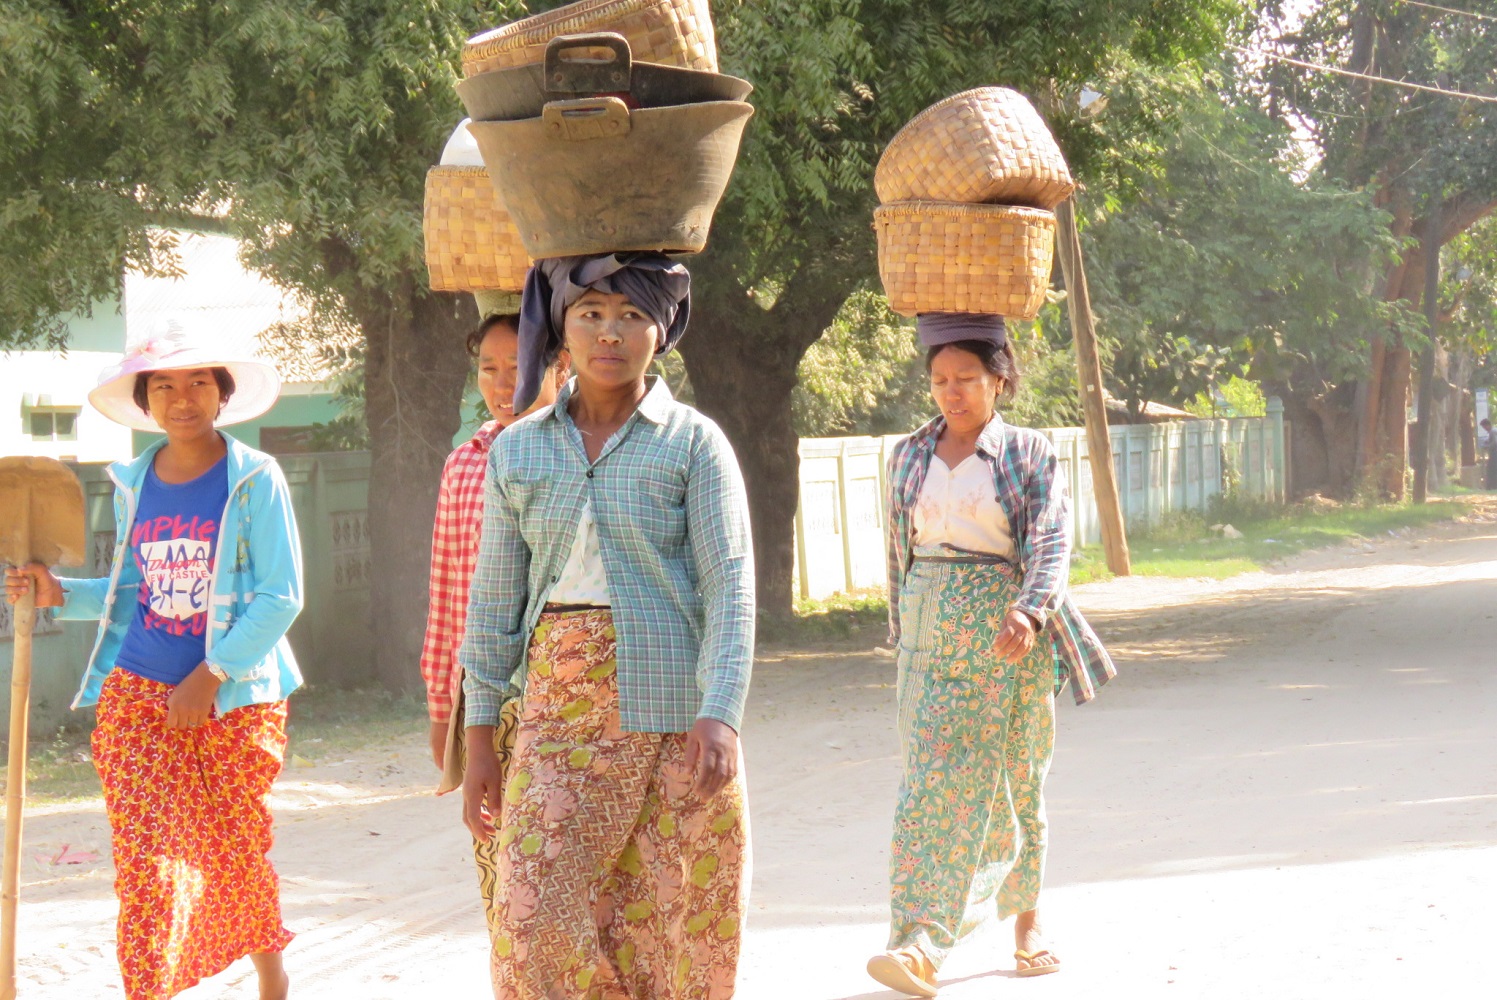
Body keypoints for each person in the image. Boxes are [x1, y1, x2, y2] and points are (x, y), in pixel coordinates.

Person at [459, 253, 755, 999]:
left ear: (663, 330)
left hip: (673, 716)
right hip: (555, 716)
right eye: (590, 313)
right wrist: (479, 738)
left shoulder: (693, 444)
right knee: (528, 925)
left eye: (631, 315)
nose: (609, 333)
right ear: (562, 327)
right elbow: (493, 604)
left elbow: (729, 586)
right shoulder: (519, 450)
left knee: (661, 926)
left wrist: (719, 714)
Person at [4, 320, 302, 1000]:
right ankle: (147, 990)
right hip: (136, 693)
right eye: (163, 385)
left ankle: (270, 975)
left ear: (222, 394)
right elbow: (132, 592)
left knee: (234, 849)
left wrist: (210, 674)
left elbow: (280, 597)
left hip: (237, 699)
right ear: (145, 401)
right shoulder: (132, 482)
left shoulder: (256, 478)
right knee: (148, 863)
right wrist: (57, 593)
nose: (182, 397)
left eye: (198, 382)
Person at [866, 313, 1116, 998]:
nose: (951, 393)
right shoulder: (907, 455)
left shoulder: (1028, 453)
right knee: (929, 785)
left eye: (966, 380)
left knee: (1013, 779)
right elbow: (898, 554)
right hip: (926, 631)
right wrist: (900, 631)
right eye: (940, 381)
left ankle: (1025, 925)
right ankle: (916, 939)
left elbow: (1051, 541)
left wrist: (1029, 610)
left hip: (1007, 632)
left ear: (998, 379)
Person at [417, 308, 570, 977]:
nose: (503, 381)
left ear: (563, 367)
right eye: (489, 367)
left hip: (573, 694)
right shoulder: (465, 464)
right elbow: (448, 591)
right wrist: (439, 709)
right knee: (499, 864)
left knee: (571, 869)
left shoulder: (586, 451)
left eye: (521, 365)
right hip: (488, 701)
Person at [1481, 418, 1497, 489]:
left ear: (1487, 425)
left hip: (1494, 453)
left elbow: (1495, 442)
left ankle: (1491, 486)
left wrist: (1488, 447)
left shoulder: (1492, 432)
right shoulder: (1494, 430)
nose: (1484, 429)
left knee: (1491, 469)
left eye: (1484, 427)